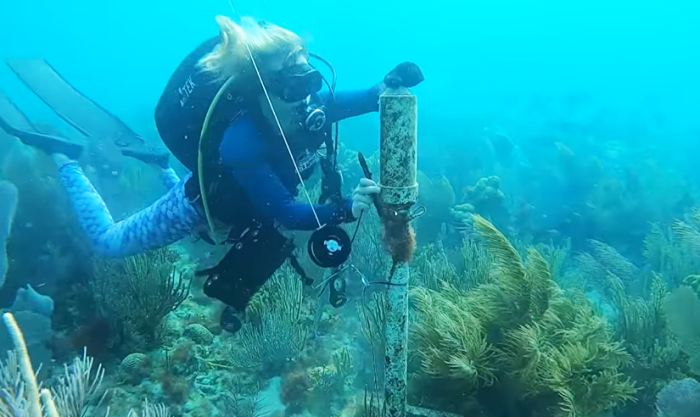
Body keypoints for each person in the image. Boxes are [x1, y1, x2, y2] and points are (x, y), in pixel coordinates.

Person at [6, 16, 424, 332]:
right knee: (108, 242)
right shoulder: (242, 142)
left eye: (307, 70)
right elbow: (285, 212)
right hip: (198, 208)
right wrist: (347, 208)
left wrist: (384, 88)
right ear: (261, 85)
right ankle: (68, 161)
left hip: (238, 209)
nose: (308, 92)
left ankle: (159, 166)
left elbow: (345, 102)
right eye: (294, 80)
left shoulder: (302, 102)